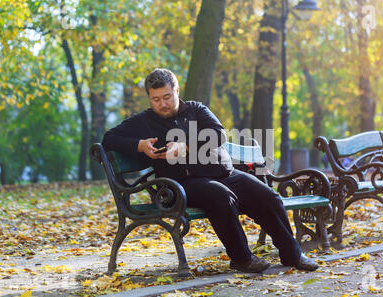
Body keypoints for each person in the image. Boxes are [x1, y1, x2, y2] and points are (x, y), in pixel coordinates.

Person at [102, 68, 318, 273]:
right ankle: (242, 259)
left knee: (268, 196)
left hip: (225, 174)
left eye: (167, 97)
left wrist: (185, 146)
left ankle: (292, 255)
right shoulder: (143, 121)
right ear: (149, 98)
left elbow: (218, 134)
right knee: (220, 196)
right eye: (155, 99)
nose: (163, 104)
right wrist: (139, 145)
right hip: (183, 184)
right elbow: (108, 139)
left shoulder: (197, 109)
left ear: (176, 91)